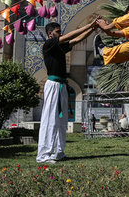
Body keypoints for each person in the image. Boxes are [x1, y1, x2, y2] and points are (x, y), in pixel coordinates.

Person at [37, 20, 97, 164]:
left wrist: (93, 29)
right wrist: (89, 25)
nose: (61, 34)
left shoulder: (59, 47)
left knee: (61, 121)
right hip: (53, 85)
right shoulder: (48, 45)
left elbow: (76, 39)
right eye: (58, 32)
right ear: (50, 34)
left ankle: (58, 152)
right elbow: (70, 35)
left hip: (62, 85)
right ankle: (44, 154)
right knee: (50, 119)